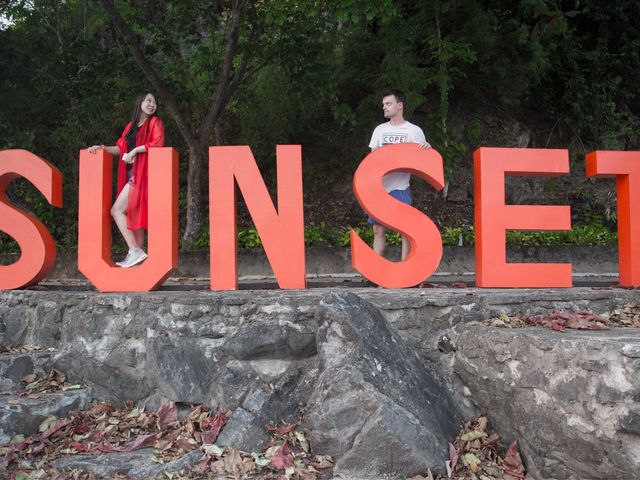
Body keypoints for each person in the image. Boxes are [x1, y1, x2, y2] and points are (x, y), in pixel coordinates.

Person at [87, 92, 165, 268]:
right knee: (134, 216)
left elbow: (158, 143)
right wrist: (102, 148)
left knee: (116, 210)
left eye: (155, 102)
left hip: (143, 174)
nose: (152, 105)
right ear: (140, 103)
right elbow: (121, 148)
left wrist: (136, 150)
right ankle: (139, 262)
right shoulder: (130, 126)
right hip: (131, 174)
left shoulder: (155, 123)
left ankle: (134, 251)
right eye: (148, 100)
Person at [368, 89, 431, 261]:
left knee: (405, 230)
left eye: (388, 104)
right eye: (383, 105)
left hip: (400, 187)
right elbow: (372, 158)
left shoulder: (413, 131)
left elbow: (425, 160)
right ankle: (376, 271)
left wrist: (426, 147)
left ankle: (405, 270)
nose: (384, 107)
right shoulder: (379, 130)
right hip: (380, 188)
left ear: (400, 105)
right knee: (377, 229)